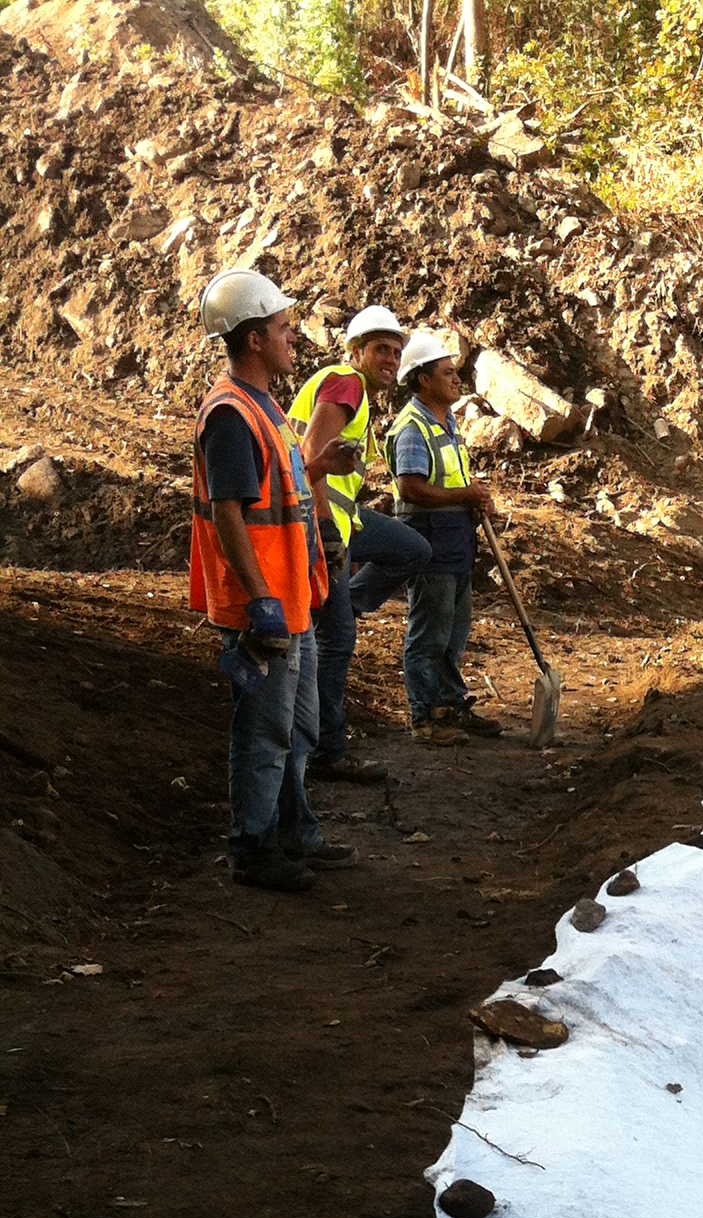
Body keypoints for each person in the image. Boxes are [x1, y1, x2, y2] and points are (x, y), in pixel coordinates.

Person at [188, 269, 355, 895]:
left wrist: (318, 468)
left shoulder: (266, 407)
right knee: (263, 729)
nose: (295, 338)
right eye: (284, 328)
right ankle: (253, 847)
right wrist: (259, 598)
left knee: (296, 723)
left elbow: (273, 495)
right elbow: (229, 513)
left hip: (293, 598)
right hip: (264, 605)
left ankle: (294, 830)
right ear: (254, 339)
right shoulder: (231, 414)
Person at [288, 305, 433, 785]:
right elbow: (311, 457)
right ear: (356, 353)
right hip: (322, 523)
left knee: (413, 549)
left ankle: (346, 604)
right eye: (380, 350)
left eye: (396, 350)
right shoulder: (347, 383)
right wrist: (326, 527)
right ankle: (327, 751)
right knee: (337, 642)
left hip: (344, 521)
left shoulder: (355, 394)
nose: (391, 358)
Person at [385, 330, 503, 743]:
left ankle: (450, 704)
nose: (457, 380)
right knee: (428, 634)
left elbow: (451, 479)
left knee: (454, 632)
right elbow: (410, 487)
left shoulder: (446, 422)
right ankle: (424, 718)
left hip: (455, 539)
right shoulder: (413, 427)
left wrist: (474, 500)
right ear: (423, 380)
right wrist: (463, 495)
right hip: (429, 540)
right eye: (447, 372)